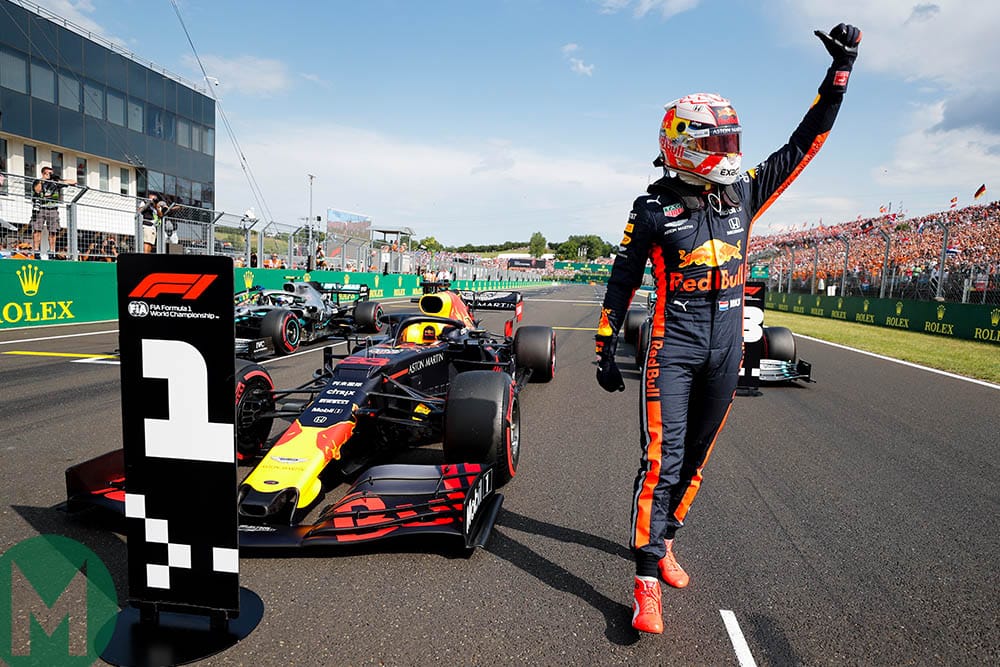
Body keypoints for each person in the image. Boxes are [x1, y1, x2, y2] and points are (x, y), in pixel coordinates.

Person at [593, 23, 861, 635]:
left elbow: (805, 143)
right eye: (721, 137)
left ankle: (665, 541)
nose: (733, 146)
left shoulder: (742, 192)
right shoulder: (652, 208)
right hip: (673, 345)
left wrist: (839, 75)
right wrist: (605, 345)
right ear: (684, 143)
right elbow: (621, 279)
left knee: (699, 458)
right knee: (661, 459)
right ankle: (645, 580)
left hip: (726, 346)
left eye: (732, 135)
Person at [31, 166, 75, 255]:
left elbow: (74, 182)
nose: (50, 175)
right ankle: (36, 251)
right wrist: (43, 180)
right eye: (48, 173)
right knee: (37, 229)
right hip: (40, 208)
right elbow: (37, 190)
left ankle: (51, 251)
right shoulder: (37, 181)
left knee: (53, 231)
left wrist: (59, 180)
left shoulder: (55, 183)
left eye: (51, 173)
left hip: (53, 209)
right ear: (43, 173)